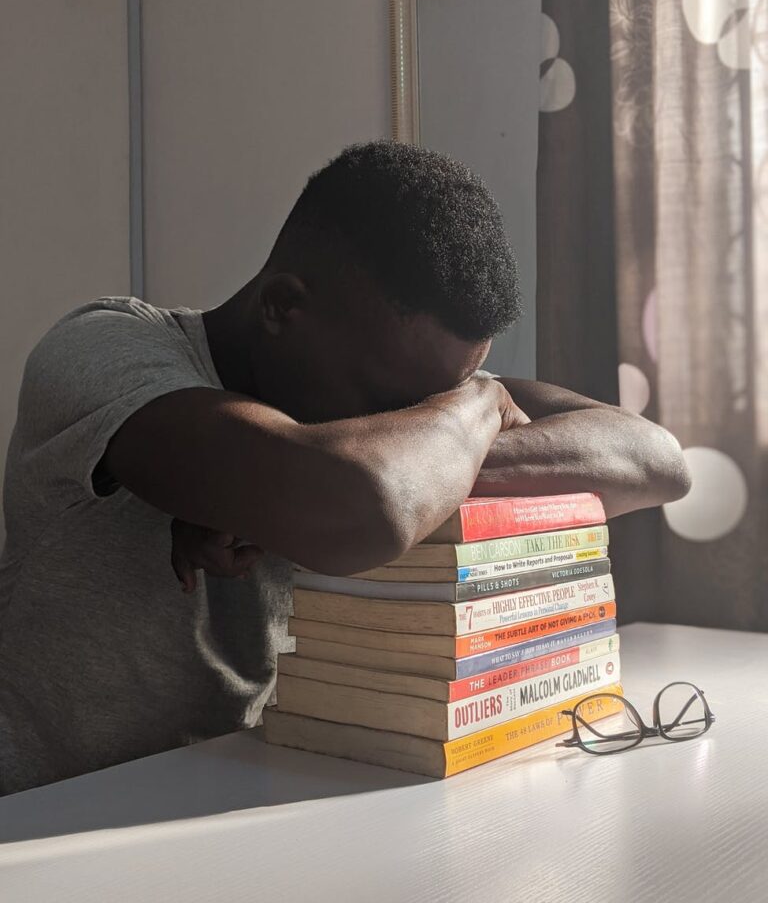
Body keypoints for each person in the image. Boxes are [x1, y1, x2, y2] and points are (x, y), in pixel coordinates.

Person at [0, 140, 690, 795]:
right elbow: (362, 505)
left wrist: (450, 433)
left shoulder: (425, 405)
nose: (415, 420)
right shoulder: (104, 350)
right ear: (283, 307)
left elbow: (657, 460)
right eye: (401, 403)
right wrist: (472, 412)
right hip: (48, 818)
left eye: (442, 398)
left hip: (259, 796)